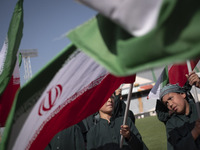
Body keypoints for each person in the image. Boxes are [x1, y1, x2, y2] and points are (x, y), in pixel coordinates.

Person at [159, 83, 200, 150]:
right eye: (166, 103)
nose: (170, 104)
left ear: (182, 94)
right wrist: (194, 133)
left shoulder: (198, 108)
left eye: (171, 98)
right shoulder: (171, 124)